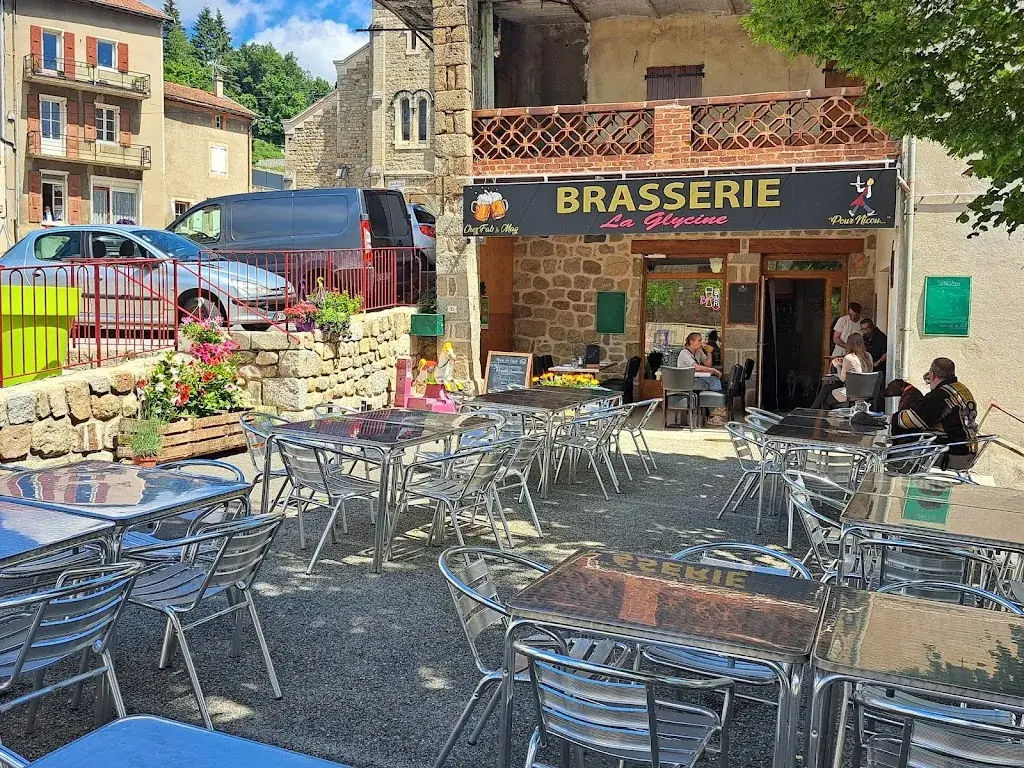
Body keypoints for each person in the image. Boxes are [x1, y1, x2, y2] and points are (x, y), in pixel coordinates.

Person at [891, 358, 979, 462]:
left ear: (932, 375)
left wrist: (892, 418)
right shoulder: (961, 388)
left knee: (891, 454)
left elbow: (914, 419)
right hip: (968, 449)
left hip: (952, 452)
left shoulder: (940, 395)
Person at [811, 333, 872, 409]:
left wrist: (837, 366)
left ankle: (820, 413)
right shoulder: (868, 356)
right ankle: (813, 410)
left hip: (853, 393)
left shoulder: (849, 357)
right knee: (827, 389)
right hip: (867, 391)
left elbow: (842, 379)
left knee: (827, 398)